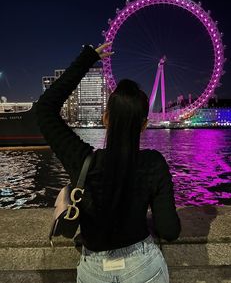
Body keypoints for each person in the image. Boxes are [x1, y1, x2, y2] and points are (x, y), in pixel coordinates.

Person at [36, 42, 181, 283]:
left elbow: (45, 110)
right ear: (144, 126)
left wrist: (88, 58)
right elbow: (169, 230)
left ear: (105, 119)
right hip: (144, 267)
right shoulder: (154, 163)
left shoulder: (82, 160)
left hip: (94, 269)